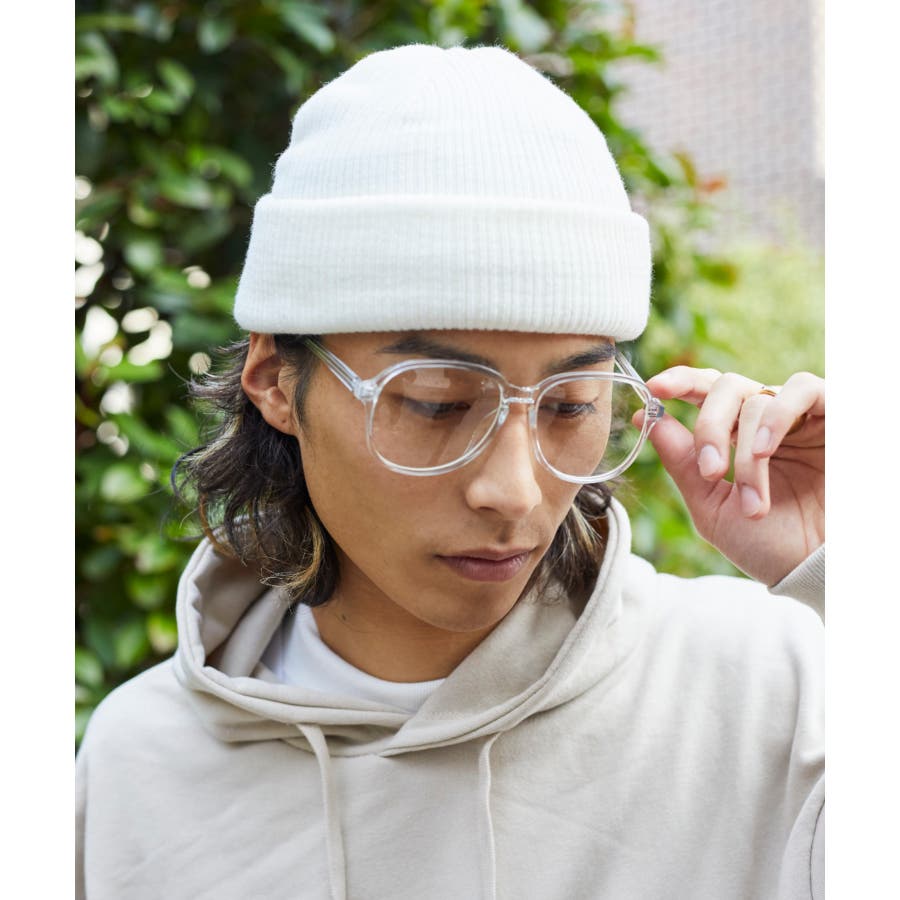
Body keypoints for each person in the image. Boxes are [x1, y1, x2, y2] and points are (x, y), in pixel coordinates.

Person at [75, 43, 824, 900]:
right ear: (277, 380)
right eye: (435, 404)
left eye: (570, 406)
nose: (513, 491)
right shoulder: (141, 768)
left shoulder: (773, 691)